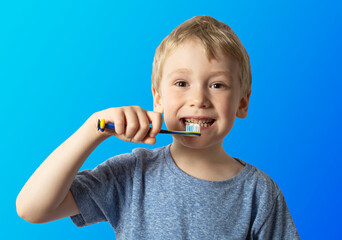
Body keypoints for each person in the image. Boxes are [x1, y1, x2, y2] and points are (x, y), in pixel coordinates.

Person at [16, 15, 300, 239]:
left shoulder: (259, 192)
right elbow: (32, 208)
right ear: (158, 98)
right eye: (181, 84)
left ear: (242, 103)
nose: (198, 99)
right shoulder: (131, 174)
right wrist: (94, 128)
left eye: (217, 85)